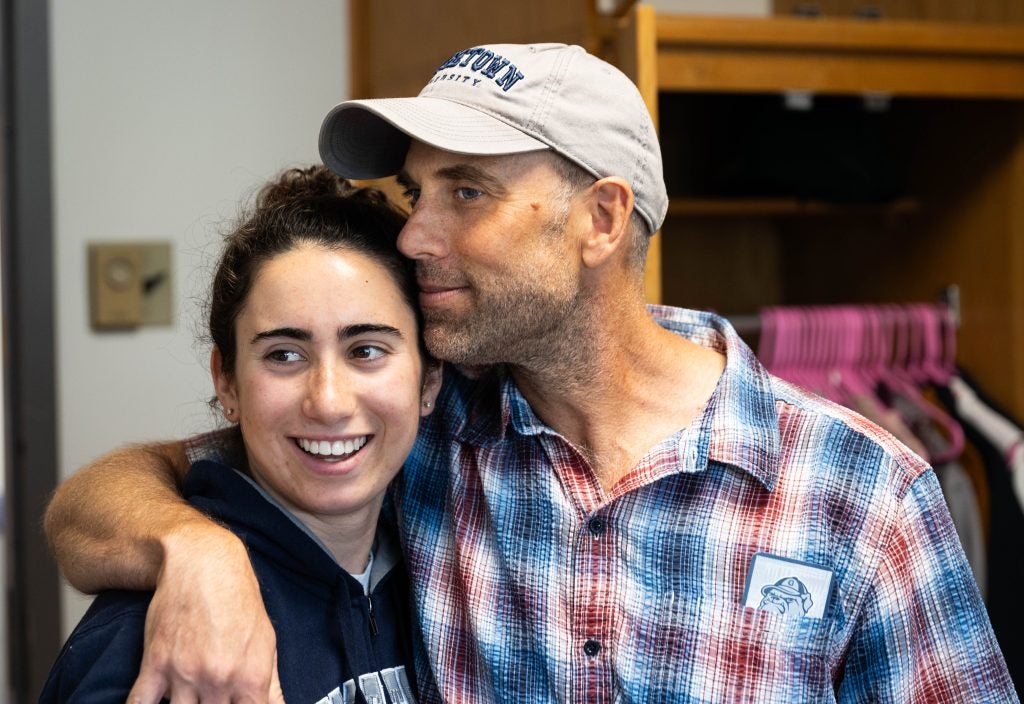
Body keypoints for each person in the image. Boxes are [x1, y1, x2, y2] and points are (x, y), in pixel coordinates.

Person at [45, 43, 1016, 702]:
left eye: (468, 192)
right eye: (414, 191)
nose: (415, 236)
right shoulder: (411, 429)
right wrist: (193, 549)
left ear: (599, 219)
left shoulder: (863, 492)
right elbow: (105, 495)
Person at [41, 166, 441, 703]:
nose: (327, 402)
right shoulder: (158, 640)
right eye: (284, 355)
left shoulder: (448, 582)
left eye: (366, 350)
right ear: (226, 381)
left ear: (429, 380)